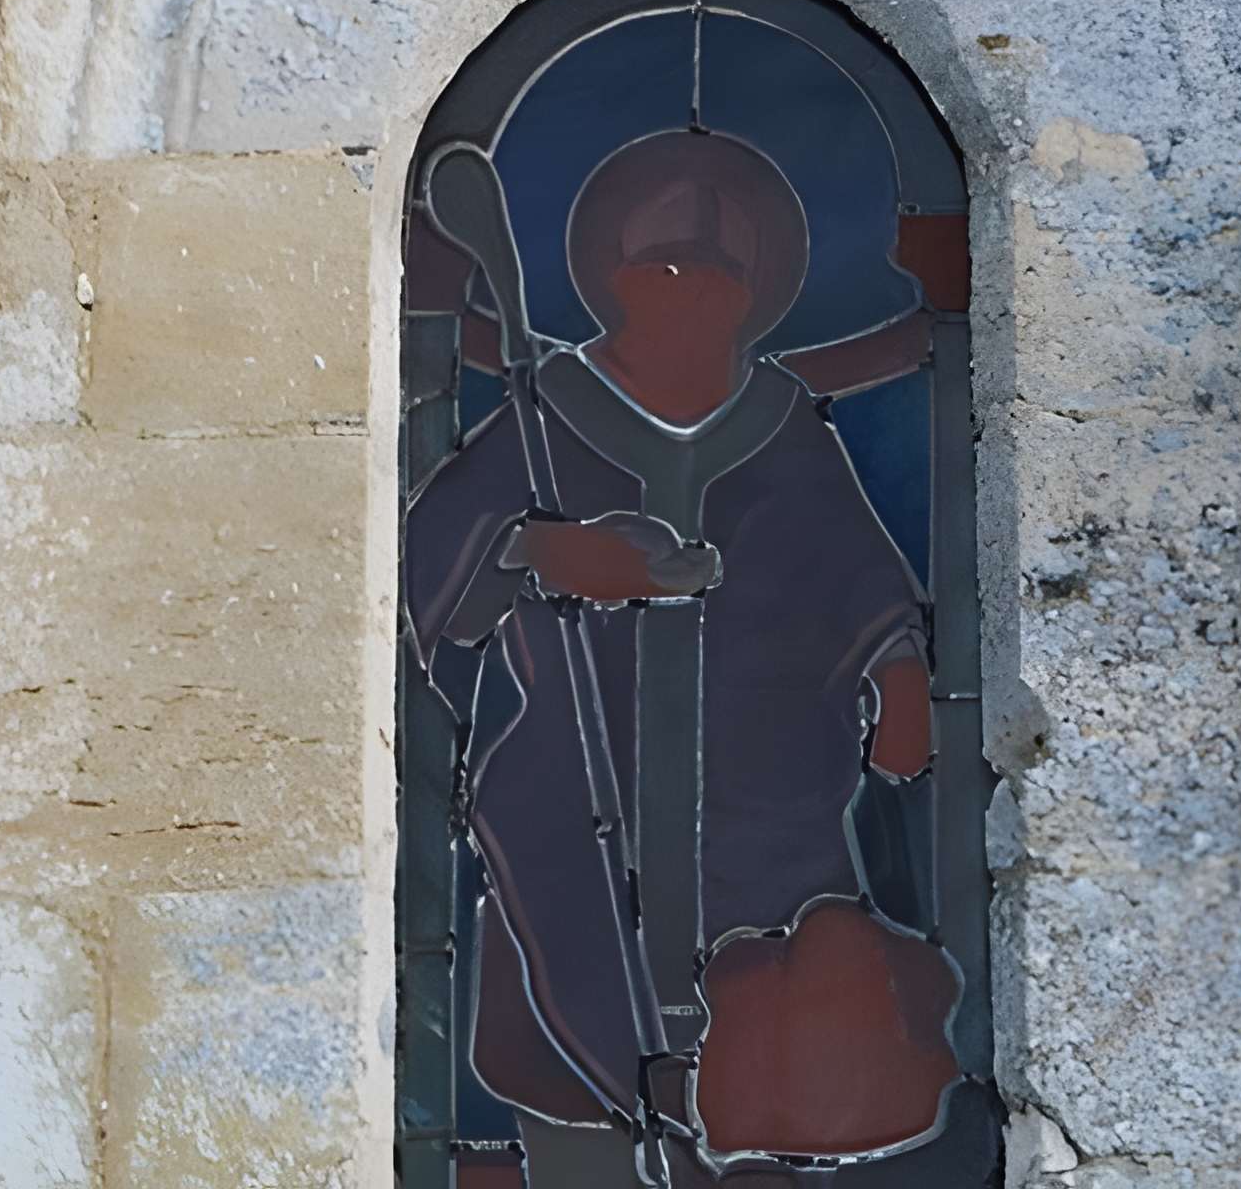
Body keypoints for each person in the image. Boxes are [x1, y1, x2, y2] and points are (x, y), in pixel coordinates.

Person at [407, 130, 968, 1185]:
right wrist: (535, 551)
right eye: (661, 263)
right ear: (611, 276)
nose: (688, 286)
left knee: (786, 1038)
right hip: (578, 789)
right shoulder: (547, 411)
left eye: (717, 269)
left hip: (771, 808)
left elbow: (855, 571)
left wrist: (898, 670)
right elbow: (431, 561)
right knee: (574, 1032)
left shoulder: (781, 424)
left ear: (754, 293)